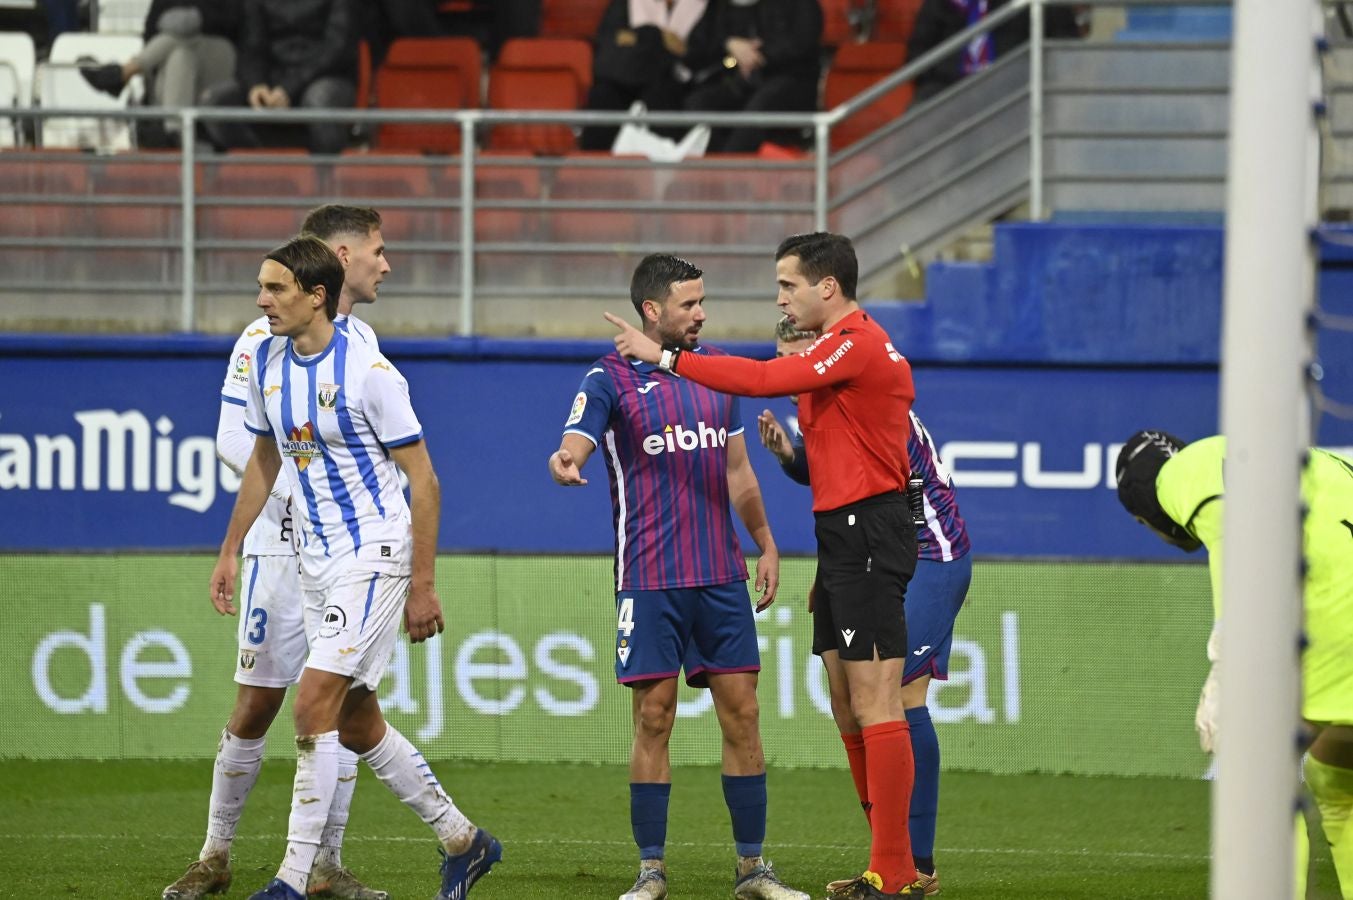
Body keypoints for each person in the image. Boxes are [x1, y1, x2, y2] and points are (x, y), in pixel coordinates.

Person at [606, 233, 927, 899]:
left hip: (870, 532)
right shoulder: (841, 348)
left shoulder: (855, 341)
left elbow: (757, 380)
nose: (779, 298)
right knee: (846, 703)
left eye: (788, 285)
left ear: (827, 287)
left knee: (875, 700)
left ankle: (895, 871)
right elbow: (839, 458)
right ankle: (884, 861)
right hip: (843, 537)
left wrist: (664, 357)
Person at [209, 235, 499, 900]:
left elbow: (423, 482)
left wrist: (422, 585)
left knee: (310, 705)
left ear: (317, 296)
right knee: (356, 718)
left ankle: (291, 879)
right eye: (261, 286)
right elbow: (263, 461)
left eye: (276, 289)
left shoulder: (369, 375)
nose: (262, 300)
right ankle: (465, 840)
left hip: (375, 553)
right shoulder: (270, 364)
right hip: (316, 558)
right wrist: (230, 547)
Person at [548, 254, 809, 900]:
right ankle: (651, 872)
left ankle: (752, 870)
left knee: (743, 716)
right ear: (651, 311)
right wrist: (564, 461)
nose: (700, 313)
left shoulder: (715, 374)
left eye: (702, 302)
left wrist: (767, 544)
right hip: (650, 577)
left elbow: (740, 473)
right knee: (654, 717)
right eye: (688, 304)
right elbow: (574, 441)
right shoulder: (607, 379)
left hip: (720, 574)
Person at [163, 205, 393, 900]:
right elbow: (236, 441)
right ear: (342, 256)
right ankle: (215, 855)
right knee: (257, 704)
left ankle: (324, 866)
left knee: (346, 700)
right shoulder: (262, 337)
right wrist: (306, 487)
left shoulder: (364, 339)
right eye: (378, 250)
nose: (386, 262)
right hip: (281, 548)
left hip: (347, 552)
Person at [756, 316, 970, 897]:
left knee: (896, 694)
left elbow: (877, 500)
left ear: (824, 352)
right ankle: (891, 858)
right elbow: (840, 484)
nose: (785, 369)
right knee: (850, 702)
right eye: (777, 356)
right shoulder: (820, 399)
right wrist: (789, 456)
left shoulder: (865, 393)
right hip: (870, 554)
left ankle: (910, 864)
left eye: (792, 355)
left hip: (929, 556)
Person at [1115, 431, 1353, 899]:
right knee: (1337, 778)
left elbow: (1236, 536)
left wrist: (1227, 667)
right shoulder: (1303, 459)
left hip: (1336, 618)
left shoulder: (1181, 473)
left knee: (1262, 786)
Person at [202, 0, 358, 154]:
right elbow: (251, 46)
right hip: (272, 79)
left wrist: (289, 88)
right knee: (214, 101)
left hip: (326, 76)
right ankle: (264, 166)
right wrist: (257, 86)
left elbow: (336, 50)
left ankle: (324, 176)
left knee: (320, 98)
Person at [79, 0, 242, 146]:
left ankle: (122, 73)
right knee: (180, 54)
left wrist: (194, 19)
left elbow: (235, 22)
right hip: (174, 68)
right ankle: (176, 133)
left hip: (217, 61)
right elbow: (150, 33)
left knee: (181, 33)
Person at [681, 0, 822, 154]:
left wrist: (758, 54)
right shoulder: (721, 5)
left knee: (761, 105)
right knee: (698, 102)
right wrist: (728, 43)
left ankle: (728, 167)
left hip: (790, 80)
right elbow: (697, 46)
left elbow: (803, 41)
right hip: (739, 82)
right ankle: (710, 163)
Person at [580, 0, 718, 152]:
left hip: (676, 80)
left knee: (662, 89)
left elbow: (707, 51)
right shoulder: (627, 3)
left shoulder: (706, 5)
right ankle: (595, 164)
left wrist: (682, 50)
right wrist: (658, 38)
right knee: (604, 94)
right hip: (626, 75)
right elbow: (612, 38)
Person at [907, 0, 1081, 104]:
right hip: (948, 93)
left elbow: (1066, 50)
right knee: (921, 109)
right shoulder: (942, 3)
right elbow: (917, 56)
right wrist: (956, 81)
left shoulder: (1041, 4)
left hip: (1018, 95)